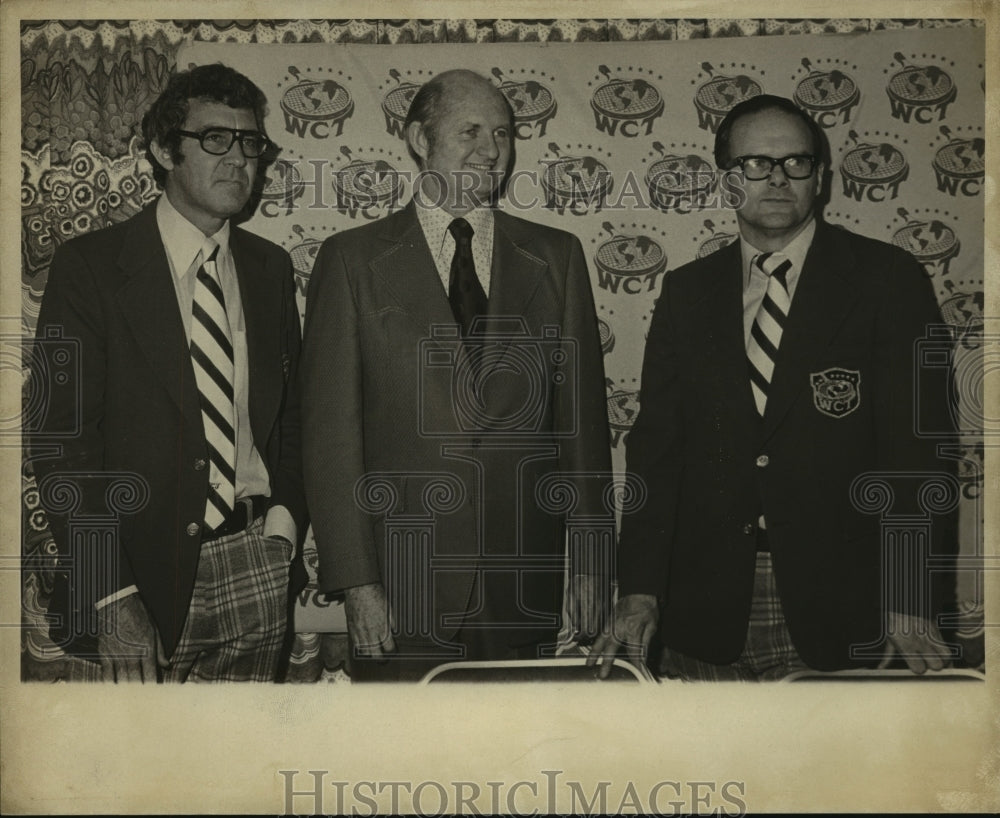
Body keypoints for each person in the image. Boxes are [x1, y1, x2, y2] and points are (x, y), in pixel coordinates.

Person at [590, 94, 956, 681]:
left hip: (852, 609)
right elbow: (656, 456)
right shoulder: (687, 294)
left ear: (822, 176)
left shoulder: (888, 281)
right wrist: (638, 591)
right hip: (703, 607)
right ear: (727, 182)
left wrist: (910, 600)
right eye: (755, 164)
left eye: (796, 162)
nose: (778, 178)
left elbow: (919, 458)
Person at [301, 69, 612, 681]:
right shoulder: (351, 261)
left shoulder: (557, 257)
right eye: (470, 131)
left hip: (523, 580)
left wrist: (593, 561)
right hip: (401, 586)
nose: (491, 150)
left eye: (503, 132)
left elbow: (583, 429)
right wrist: (358, 582)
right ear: (420, 138)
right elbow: (330, 441)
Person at [32, 63, 307, 682]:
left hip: (254, 563)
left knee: (237, 770)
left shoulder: (269, 269)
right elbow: (61, 443)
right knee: (137, 774)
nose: (239, 159)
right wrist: (110, 592)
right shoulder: (92, 268)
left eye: (250, 142)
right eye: (215, 139)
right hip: (136, 578)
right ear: (162, 150)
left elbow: (292, 415)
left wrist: (282, 535)